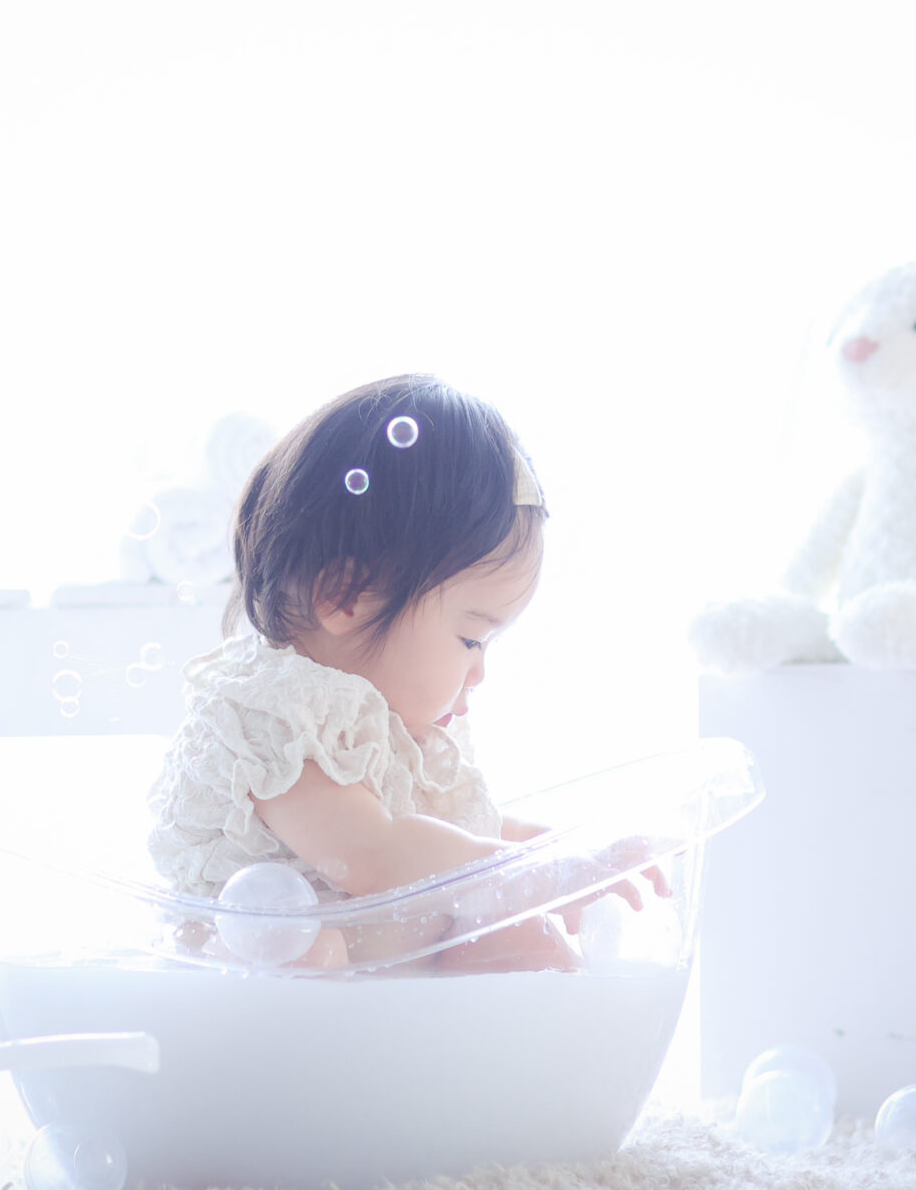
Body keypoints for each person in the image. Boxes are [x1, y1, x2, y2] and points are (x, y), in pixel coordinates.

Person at [147, 373, 601, 970]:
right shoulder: (271, 718)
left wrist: (580, 856)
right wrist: (538, 873)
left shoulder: (395, 733)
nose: (479, 672)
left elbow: (469, 831)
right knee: (308, 951)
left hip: (379, 971)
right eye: (470, 639)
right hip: (249, 971)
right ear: (346, 596)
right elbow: (375, 855)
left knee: (521, 935)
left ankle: (544, 1028)